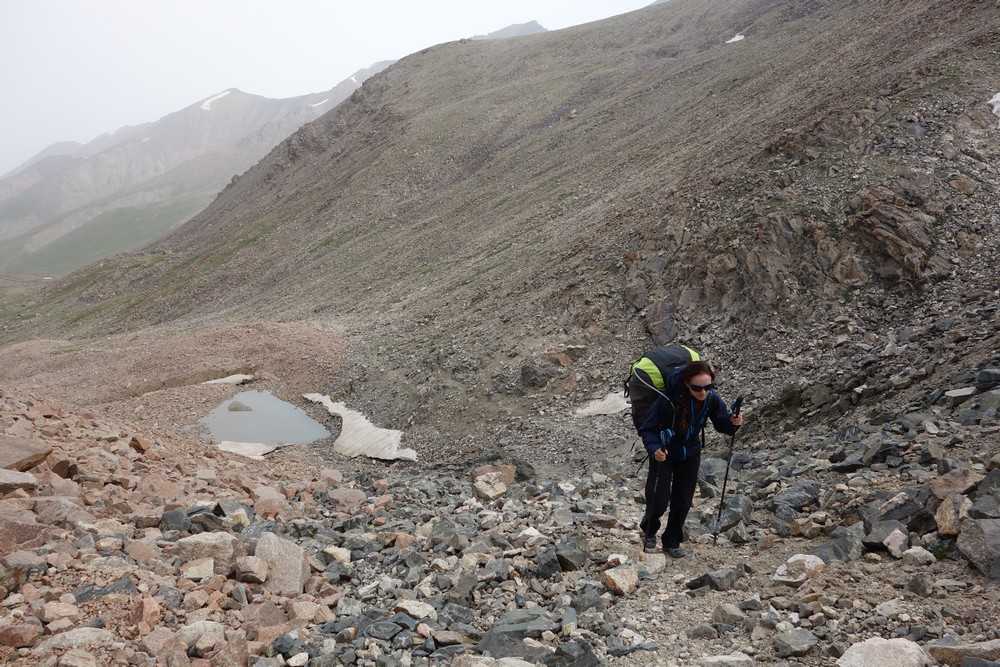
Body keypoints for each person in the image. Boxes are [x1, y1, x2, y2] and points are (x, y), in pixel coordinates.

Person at [636, 360, 743, 557]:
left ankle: (672, 541)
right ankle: (649, 530)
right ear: (686, 383)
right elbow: (648, 428)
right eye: (697, 388)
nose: (703, 392)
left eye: (708, 387)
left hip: (690, 453)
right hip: (664, 452)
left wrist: (733, 423)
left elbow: (722, 425)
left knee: (683, 500)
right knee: (659, 498)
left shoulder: (711, 399)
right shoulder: (668, 399)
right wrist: (655, 449)